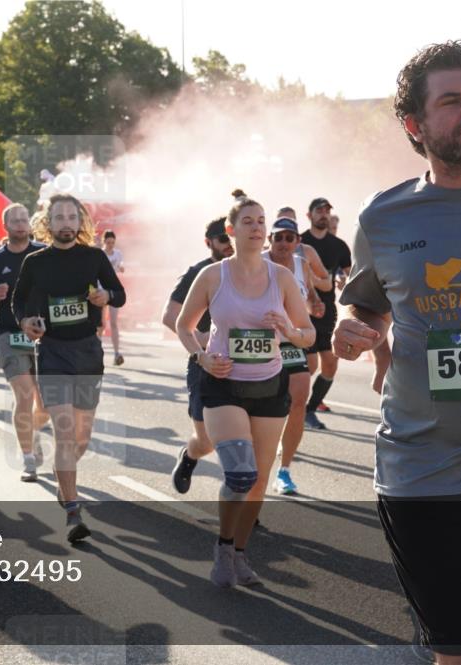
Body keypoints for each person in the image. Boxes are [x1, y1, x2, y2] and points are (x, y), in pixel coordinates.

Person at [335, 39, 461, 665]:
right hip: (428, 478)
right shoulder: (385, 216)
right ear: (414, 125)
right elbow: (367, 301)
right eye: (453, 101)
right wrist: (352, 326)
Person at [175, 195, 314, 587]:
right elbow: (185, 326)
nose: (256, 227)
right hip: (221, 384)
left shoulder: (282, 278)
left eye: (261, 221)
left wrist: (289, 331)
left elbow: (308, 334)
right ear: (231, 231)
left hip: (269, 386)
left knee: (257, 482)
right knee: (240, 473)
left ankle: (239, 553)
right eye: (248, 221)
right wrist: (201, 357)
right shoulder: (212, 276)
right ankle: (222, 548)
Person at [13, 193, 126, 543]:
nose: (65, 223)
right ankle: (73, 510)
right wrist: (25, 322)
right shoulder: (34, 261)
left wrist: (105, 296)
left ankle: (65, 480)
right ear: (48, 223)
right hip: (52, 352)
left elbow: (119, 294)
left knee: (81, 436)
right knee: (64, 431)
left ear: (80, 223)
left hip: (88, 352)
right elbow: (18, 302)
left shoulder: (94, 257)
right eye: (58, 217)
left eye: (71, 217)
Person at [0, 203, 50, 481]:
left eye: (23, 219)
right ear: (5, 226)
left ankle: (33, 433)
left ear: (29, 224)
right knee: (25, 393)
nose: (20, 223)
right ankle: (28, 458)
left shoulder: (43, 253)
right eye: (14, 220)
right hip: (9, 333)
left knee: (46, 405)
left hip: (43, 333)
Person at [162, 217, 233, 493]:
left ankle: (240, 502)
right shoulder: (199, 272)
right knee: (207, 441)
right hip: (204, 363)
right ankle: (190, 456)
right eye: (222, 240)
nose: (229, 245)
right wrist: (201, 340)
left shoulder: (251, 270)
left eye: (231, 237)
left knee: (239, 437)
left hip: (244, 365)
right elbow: (169, 317)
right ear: (209, 243)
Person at [263, 217, 325, 495]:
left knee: (300, 396)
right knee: (263, 405)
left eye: (290, 238)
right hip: (262, 342)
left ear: (297, 242)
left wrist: (316, 303)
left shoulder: (301, 265)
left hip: (292, 340)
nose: (284, 243)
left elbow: (309, 293)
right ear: (270, 240)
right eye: (279, 237)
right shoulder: (258, 263)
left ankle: (284, 470)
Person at [300, 197, 351, 430]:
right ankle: (291, 405)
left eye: (327, 211)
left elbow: (351, 276)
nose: (324, 214)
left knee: (329, 365)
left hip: (328, 312)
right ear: (309, 215)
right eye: (319, 211)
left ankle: (309, 410)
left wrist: (344, 282)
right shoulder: (299, 242)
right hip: (302, 311)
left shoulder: (339, 246)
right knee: (310, 365)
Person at [101, 230, 126, 366]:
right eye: (108, 242)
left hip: (113, 291)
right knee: (101, 324)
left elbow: (120, 265)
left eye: (112, 242)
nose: (110, 245)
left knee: (114, 323)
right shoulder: (100, 254)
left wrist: (121, 267)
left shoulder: (118, 254)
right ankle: (97, 352)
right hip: (101, 290)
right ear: (103, 241)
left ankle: (117, 353)